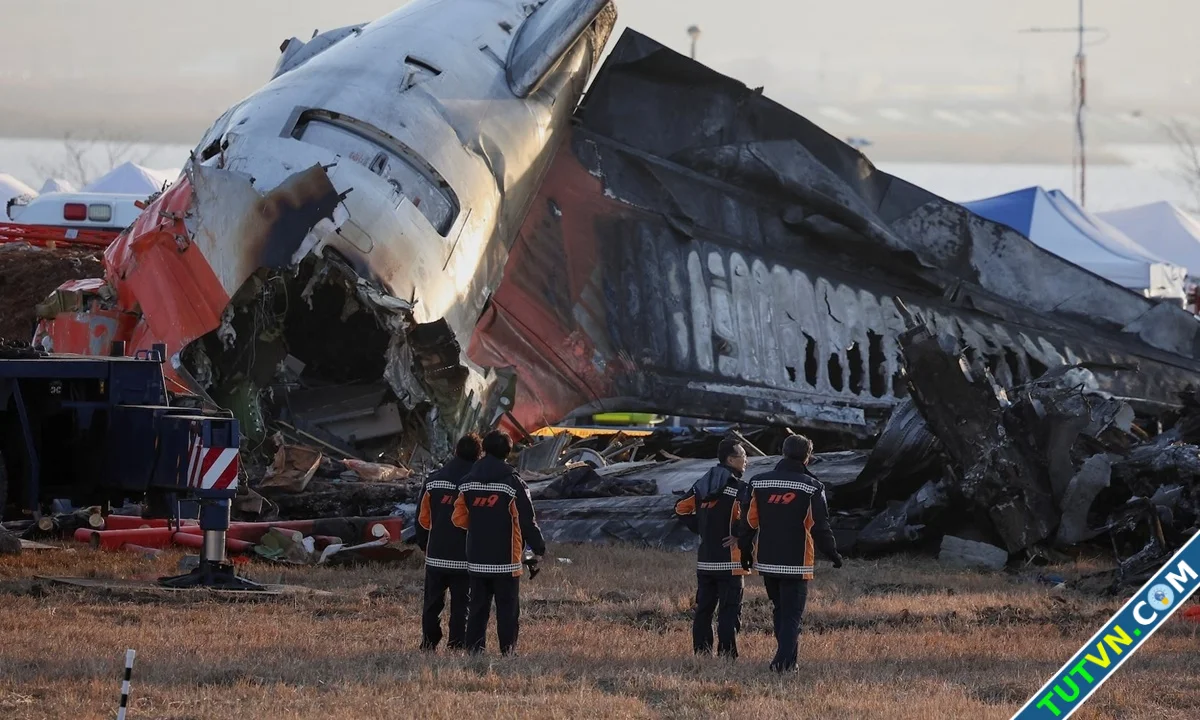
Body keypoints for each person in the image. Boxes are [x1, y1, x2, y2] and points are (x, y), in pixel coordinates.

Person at [739, 434, 843, 672]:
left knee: (780, 610)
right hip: (797, 562)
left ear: (783, 452)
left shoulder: (758, 482)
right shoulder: (812, 486)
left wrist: (745, 551)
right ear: (808, 457)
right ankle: (782, 663)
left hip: (767, 560)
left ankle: (789, 661)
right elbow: (819, 525)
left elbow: (748, 522)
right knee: (792, 616)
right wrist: (832, 553)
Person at [452, 429, 546, 655]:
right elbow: (527, 520)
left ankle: (474, 651)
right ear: (508, 452)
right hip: (506, 560)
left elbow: (458, 518)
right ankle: (507, 651)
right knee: (508, 609)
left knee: (477, 608)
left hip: (476, 557)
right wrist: (539, 547)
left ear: (484, 450)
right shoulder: (513, 483)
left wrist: (480, 528)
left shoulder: (466, 483)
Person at [673, 438, 749, 658]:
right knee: (729, 610)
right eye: (743, 457)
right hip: (731, 562)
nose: (746, 461)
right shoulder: (738, 488)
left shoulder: (701, 485)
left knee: (704, 610)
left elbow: (680, 508)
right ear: (731, 459)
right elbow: (751, 518)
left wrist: (701, 528)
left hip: (706, 560)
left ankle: (701, 652)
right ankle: (727, 656)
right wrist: (739, 534)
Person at [414, 433, 482, 651]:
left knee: (432, 603)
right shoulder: (478, 484)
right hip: (465, 556)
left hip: (437, 554)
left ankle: (428, 643)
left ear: (455, 451)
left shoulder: (434, 481)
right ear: (479, 455)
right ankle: (457, 644)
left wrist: (425, 544)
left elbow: (422, 520)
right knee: (462, 604)